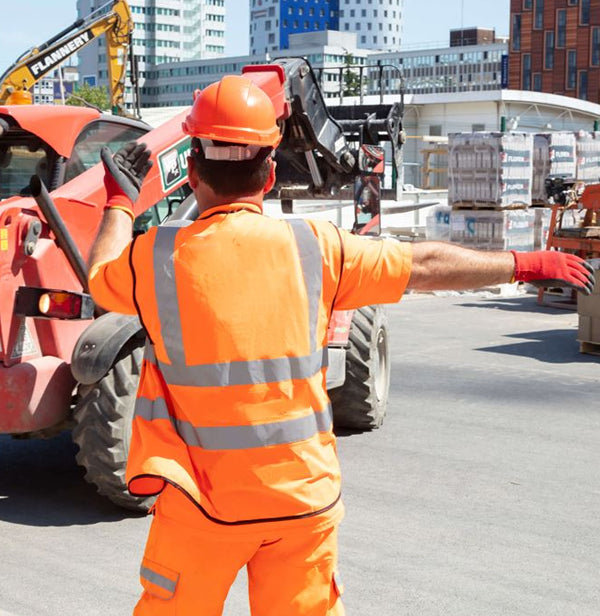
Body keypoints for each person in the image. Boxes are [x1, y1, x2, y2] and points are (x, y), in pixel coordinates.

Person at [87, 75, 595, 616]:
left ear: (190, 171)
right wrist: (524, 263)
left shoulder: (155, 258)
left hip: (200, 502)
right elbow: (423, 264)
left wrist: (120, 201)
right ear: (271, 171)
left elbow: (99, 278)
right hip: (300, 502)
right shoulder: (317, 247)